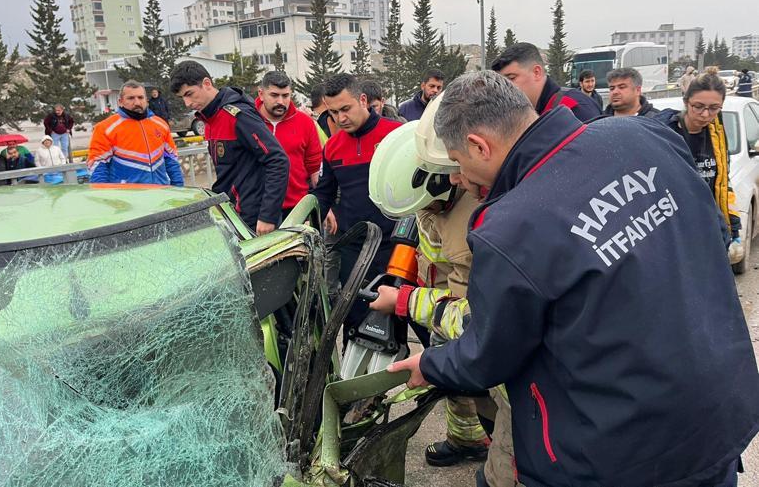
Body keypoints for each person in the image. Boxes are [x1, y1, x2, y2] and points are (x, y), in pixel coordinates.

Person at [389, 70, 759, 487]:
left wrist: (433, 362)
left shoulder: (509, 228)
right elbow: (710, 233)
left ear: (479, 145)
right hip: (718, 415)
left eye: (457, 162)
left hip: (617, 456)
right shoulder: (642, 136)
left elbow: (488, 354)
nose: (456, 178)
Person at [369, 107, 515, 485]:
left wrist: (405, 302)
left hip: (472, 330)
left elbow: (478, 320)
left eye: (423, 207)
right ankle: (467, 439)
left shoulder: (478, 223)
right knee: (457, 388)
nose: (421, 216)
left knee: (497, 410)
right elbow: (431, 253)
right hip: (441, 306)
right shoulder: (431, 207)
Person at [311, 73, 402, 336]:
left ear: (363, 100)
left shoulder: (395, 135)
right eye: (333, 112)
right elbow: (324, 192)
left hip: (395, 244)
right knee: (355, 319)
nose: (340, 119)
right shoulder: (332, 147)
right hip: (355, 246)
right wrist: (319, 208)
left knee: (406, 317)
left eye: (346, 109)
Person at [170, 61, 288, 234]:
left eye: (190, 94)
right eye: (183, 98)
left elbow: (277, 160)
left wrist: (267, 216)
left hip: (254, 218)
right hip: (232, 214)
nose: (187, 103)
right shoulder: (209, 119)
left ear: (207, 84)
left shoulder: (236, 115)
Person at [656, 73, 743, 262]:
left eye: (714, 108)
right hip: (673, 231)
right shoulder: (665, 135)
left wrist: (733, 227)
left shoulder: (717, 135)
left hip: (708, 228)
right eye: (698, 107)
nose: (705, 114)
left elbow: (722, 182)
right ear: (686, 102)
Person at [87, 80, 184, 187]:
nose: (137, 102)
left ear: (146, 100)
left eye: (140, 97)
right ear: (120, 101)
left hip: (161, 194)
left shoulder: (161, 124)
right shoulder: (105, 128)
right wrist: (104, 198)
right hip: (127, 199)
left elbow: (171, 159)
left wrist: (179, 188)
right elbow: (97, 166)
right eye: (131, 98)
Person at [255, 71, 322, 220]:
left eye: (285, 96)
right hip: (256, 208)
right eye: (274, 95)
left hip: (296, 209)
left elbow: (314, 168)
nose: (280, 101)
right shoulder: (248, 121)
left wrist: (324, 205)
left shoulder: (305, 123)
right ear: (261, 94)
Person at [491, 43, 601, 121]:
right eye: (502, 81)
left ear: (536, 72)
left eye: (511, 78)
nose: (505, 87)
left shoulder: (575, 108)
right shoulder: (525, 114)